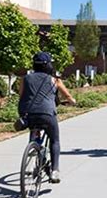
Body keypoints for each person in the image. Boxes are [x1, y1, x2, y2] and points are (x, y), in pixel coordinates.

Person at [18, 51, 76, 183]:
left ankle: (34, 147)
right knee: (54, 140)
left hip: (27, 114)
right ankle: (54, 170)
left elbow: (21, 96)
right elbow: (67, 96)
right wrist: (72, 101)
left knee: (34, 129)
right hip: (47, 114)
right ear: (48, 65)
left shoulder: (25, 78)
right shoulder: (54, 80)